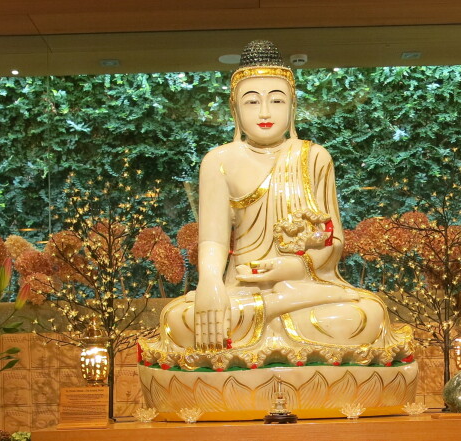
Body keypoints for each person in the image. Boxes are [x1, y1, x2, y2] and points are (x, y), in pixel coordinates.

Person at [139, 40, 413, 372]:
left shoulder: (315, 157)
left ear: (293, 106)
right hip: (241, 288)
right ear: (235, 109)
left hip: (303, 282)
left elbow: (332, 241)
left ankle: (284, 306)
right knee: (180, 319)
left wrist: (292, 268)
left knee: (366, 314)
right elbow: (213, 239)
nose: (265, 112)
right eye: (252, 101)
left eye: (277, 100)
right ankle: (279, 307)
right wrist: (210, 283)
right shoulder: (218, 161)